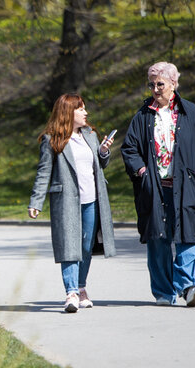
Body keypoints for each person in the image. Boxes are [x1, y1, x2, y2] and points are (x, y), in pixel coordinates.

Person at [121, 62, 195, 307]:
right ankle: (164, 292)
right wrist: (142, 170)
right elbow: (129, 149)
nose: (156, 89)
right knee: (158, 238)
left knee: (188, 235)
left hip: (187, 185)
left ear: (173, 84)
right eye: (152, 84)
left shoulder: (190, 112)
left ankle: (188, 287)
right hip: (155, 187)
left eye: (160, 84)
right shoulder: (143, 114)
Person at [28, 93, 116, 313]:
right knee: (70, 247)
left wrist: (104, 151)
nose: (85, 113)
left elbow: (99, 164)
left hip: (92, 200)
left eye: (84, 108)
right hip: (66, 201)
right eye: (81, 109)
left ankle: (81, 286)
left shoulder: (90, 135)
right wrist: (36, 201)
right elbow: (43, 172)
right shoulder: (52, 139)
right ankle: (71, 293)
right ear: (68, 112)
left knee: (86, 247)